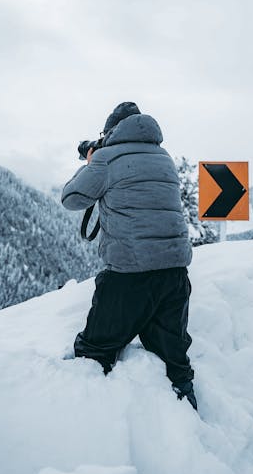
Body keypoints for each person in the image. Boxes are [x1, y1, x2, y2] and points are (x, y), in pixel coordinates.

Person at [61, 102, 197, 411]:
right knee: (174, 360)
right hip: (175, 274)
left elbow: (71, 198)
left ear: (111, 132)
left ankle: (86, 421)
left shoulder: (107, 159)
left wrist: (91, 161)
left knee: (94, 352)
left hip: (129, 276)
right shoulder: (165, 158)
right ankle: (189, 423)